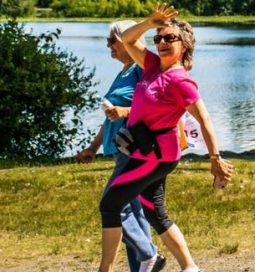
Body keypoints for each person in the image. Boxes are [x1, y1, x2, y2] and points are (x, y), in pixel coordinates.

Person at [97, 3, 233, 272]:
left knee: (110, 204)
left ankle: (106, 270)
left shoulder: (180, 81)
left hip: (156, 156)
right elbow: (127, 39)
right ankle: (190, 268)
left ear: (184, 44)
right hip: (145, 152)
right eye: (159, 38)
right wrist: (151, 22)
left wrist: (215, 158)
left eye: (169, 38)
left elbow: (204, 119)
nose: (161, 42)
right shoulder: (151, 66)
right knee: (154, 213)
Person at [76, 20, 166, 272]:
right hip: (120, 150)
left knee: (113, 205)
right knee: (134, 212)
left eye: (111, 41)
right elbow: (110, 115)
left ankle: (150, 254)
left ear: (128, 42)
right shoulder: (125, 70)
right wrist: (93, 148)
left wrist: (123, 110)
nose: (108, 46)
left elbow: (149, 105)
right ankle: (143, 267)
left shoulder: (141, 69)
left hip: (134, 149)